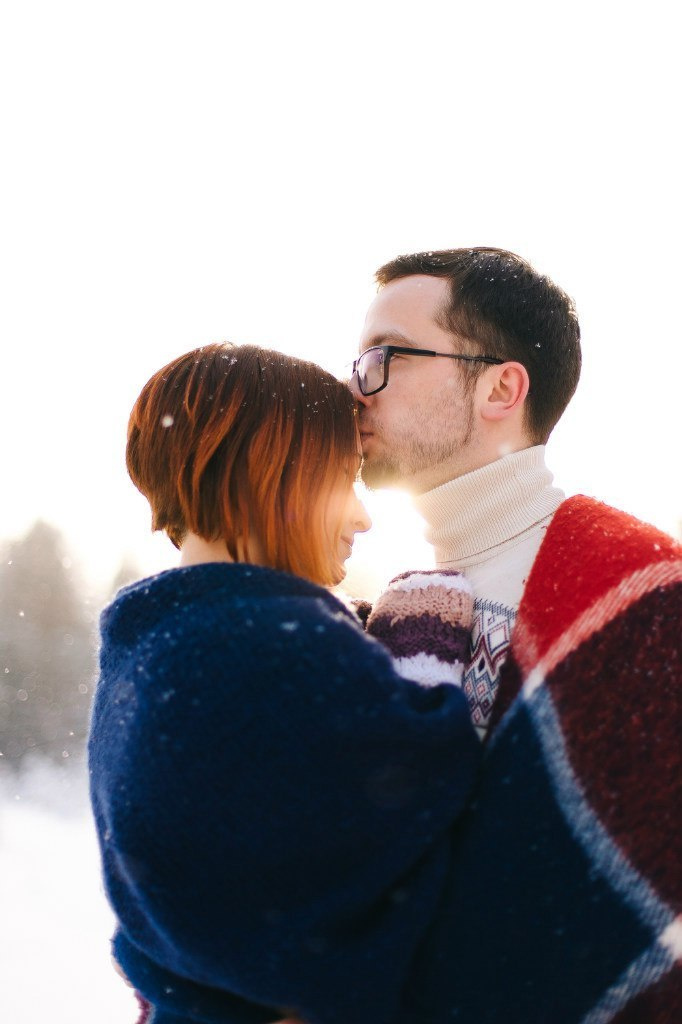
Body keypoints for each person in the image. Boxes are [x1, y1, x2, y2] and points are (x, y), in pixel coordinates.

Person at [88, 342, 482, 1024]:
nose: (362, 517)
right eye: (343, 478)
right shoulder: (262, 643)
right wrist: (424, 641)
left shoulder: (160, 636)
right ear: (272, 476)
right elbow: (426, 787)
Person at [350, 247, 682, 1021]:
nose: (353, 387)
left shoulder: (646, 600)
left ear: (502, 385)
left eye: (383, 357)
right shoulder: (394, 612)